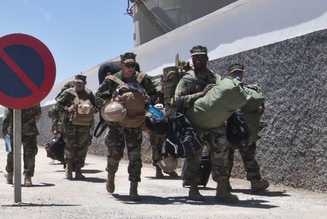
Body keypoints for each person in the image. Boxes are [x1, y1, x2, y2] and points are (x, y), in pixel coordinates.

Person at [173, 45, 239, 202]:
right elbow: (177, 100)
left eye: (201, 57)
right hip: (196, 124)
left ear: (207, 59)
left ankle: (222, 189)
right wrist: (201, 94)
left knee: (221, 155)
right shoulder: (188, 79)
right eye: (195, 57)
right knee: (194, 157)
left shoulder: (215, 78)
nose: (198, 59)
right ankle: (194, 189)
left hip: (216, 124)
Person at [96, 52, 160, 200]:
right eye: (128, 65)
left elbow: (156, 95)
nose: (131, 68)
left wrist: (149, 99)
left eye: (133, 65)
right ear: (121, 65)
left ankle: (133, 188)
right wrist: (111, 100)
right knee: (115, 153)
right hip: (116, 123)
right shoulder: (112, 80)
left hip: (135, 122)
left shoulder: (143, 79)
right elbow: (97, 96)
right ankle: (111, 175)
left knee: (135, 156)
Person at [226, 63, 270, 193]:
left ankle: (255, 182)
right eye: (234, 73)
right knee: (226, 158)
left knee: (249, 157)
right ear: (229, 75)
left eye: (239, 73)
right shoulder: (225, 89)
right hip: (229, 127)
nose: (237, 75)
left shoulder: (250, 90)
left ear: (243, 74)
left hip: (245, 129)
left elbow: (260, 109)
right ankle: (224, 183)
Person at [53, 75, 104, 181]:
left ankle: (79, 170)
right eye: (77, 83)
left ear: (85, 83)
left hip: (85, 124)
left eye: (81, 83)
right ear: (74, 83)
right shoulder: (68, 93)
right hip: (70, 124)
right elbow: (57, 106)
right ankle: (69, 168)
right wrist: (68, 108)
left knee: (82, 146)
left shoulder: (89, 94)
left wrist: (91, 109)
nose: (79, 85)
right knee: (70, 145)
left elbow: (97, 107)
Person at [2, 103, 42, 187]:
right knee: (29, 154)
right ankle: (27, 177)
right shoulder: (33, 97)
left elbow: (7, 114)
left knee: (11, 153)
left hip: (14, 130)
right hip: (30, 130)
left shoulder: (11, 95)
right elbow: (38, 113)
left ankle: (10, 174)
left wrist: (4, 129)